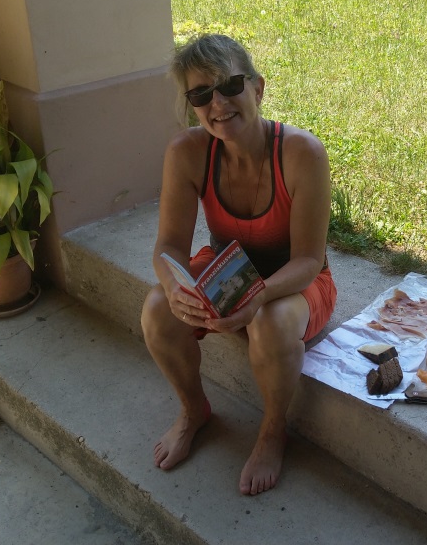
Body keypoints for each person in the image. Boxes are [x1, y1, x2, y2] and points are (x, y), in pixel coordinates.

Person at [140, 34, 337, 496]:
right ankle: (194, 410)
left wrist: (257, 295)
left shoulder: (302, 153)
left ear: (258, 88)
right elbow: (169, 246)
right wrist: (174, 286)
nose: (218, 104)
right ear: (191, 105)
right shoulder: (186, 153)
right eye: (200, 94)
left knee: (269, 322)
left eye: (230, 86)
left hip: (295, 278)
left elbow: (309, 260)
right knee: (157, 309)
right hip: (226, 264)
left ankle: (273, 431)